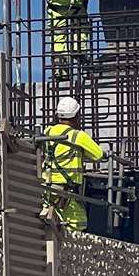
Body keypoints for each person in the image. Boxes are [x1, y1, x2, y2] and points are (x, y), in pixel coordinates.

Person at [43, 96, 103, 232]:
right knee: (78, 223)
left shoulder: (47, 132)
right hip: (67, 189)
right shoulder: (78, 136)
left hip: (46, 187)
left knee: (49, 219)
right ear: (77, 116)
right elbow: (98, 155)